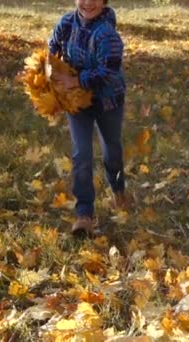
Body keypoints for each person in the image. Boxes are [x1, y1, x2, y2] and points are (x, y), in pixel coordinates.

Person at [49, 0, 128, 236]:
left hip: (108, 101)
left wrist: (74, 80)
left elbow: (108, 72)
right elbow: (51, 48)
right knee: (81, 153)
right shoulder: (66, 23)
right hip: (77, 103)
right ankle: (84, 213)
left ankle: (118, 190)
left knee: (111, 151)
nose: (88, 3)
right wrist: (49, 72)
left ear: (104, 2)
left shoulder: (108, 35)